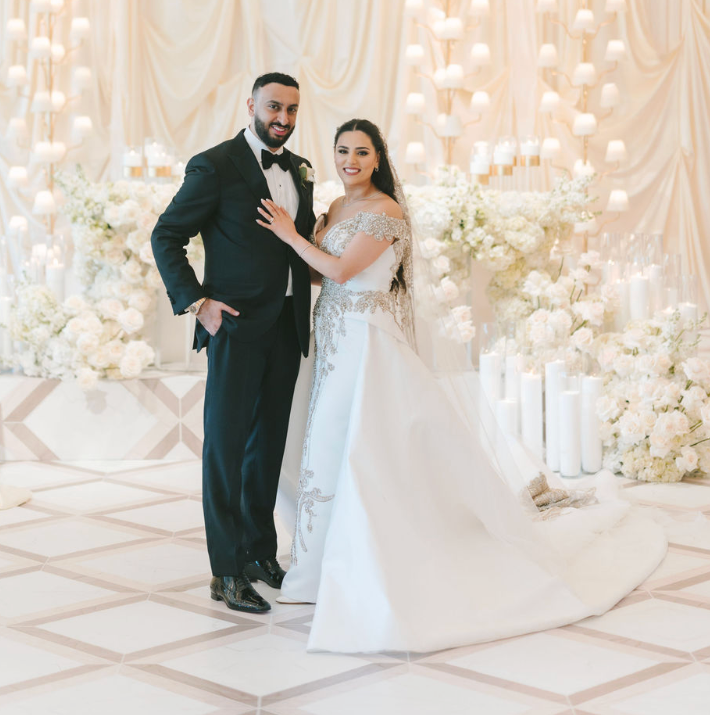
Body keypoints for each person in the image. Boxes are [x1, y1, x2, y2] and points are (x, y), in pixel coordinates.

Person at [257, 118, 667, 654]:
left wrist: (290, 235)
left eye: (361, 151)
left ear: (378, 158)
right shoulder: (335, 209)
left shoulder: (386, 212)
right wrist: (282, 251)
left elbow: (339, 271)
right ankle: (315, 566)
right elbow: (320, 274)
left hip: (366, 343)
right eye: (342, 150)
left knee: (357, 447)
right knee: (328, 450)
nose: (350, 160)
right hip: (333, 338)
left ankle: (354, 563)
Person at [151, 74, 315, 614]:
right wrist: (200, 303)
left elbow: (299, 245)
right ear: (251, 105)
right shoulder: (215, 164)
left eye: (291, 109)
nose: (283, 118)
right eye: (274, 107)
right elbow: (166, 235)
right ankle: (225, 571)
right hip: (236, 326)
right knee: (225, 450)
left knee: (266, 446)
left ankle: (258, 554)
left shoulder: (298, 170)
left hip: (288, 327)